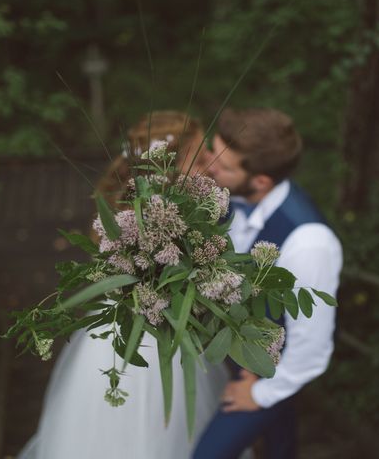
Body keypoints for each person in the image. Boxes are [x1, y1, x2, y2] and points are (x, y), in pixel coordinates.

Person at [18, 111, 227, 459]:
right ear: (171, 161)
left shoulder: (155, 204)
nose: (210, 165)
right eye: (200, 156)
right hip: (144, 336)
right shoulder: (157, 213)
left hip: (133, 328)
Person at [194, 108, 343, 459]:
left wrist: (261, 393)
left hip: (273, 373)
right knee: (280, 445)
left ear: (260, 181)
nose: (210, 165)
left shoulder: (309, 243)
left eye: (225, 165)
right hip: (239, 354)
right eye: (212, 150)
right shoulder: (230, 196)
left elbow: (312, 348)